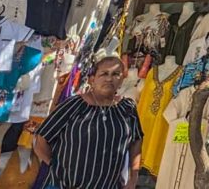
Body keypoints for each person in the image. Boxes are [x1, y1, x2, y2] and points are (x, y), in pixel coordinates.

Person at [34, 55, 144, 189]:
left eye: (115, 74)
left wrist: (133, 178)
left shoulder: (127, 108)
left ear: (122, 80)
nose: (109, 79)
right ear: (92, 79)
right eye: (104, 74)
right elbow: (41, 139)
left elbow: (137, 140)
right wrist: (55, 167)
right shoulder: (73, 105)